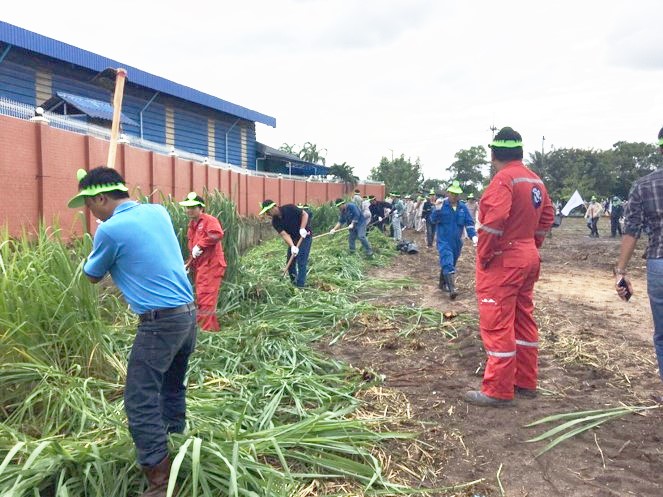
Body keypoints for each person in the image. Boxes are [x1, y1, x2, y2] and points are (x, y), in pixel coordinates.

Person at [68, 167, 196, 496]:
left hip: (160, 324)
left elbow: (93, 276)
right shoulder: (159, 211)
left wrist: (101, 238)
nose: (89, 211)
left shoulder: (110, 231)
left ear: (101, 198)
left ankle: (160, 481)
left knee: (139, 399)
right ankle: (175, 442)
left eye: (89, 204)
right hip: (187, 315)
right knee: (171, 386)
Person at [466, 127, 554, 407]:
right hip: (527, 255)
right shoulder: (535, 180)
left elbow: (495, 219)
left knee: (498, 321)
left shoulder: (504, 180)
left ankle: (498, 390)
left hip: (505, 259)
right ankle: (526, 382)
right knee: (523, 318)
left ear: (493, 154)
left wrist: (484, 254)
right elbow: (548, 215)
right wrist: (532, 243)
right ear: (520, 152)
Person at [615, 127, 663, 401]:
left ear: (659, 149)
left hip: (659, 263)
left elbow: (631, 230)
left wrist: (621, 271)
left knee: (662, 335)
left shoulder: (645, 185)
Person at [179, 192, 227, 332]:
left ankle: (205, 331)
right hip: (201, 266)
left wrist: (201, 244)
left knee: (205, 299)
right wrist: (188, 264)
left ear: (201, 208)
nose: (189, 210)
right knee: (204, 298)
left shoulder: (209, 220)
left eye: (192, 207)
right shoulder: (192, 225)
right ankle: (212, 329)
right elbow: (194, 249)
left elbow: (217, 234)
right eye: (187, 207)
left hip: (211, 266)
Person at [430, 180, 477, 299]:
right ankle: (452, 289)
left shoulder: (463, 207)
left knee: (451, 262)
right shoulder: (441, 205)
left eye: (456, 194)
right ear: (448, 193)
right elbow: (432, 220)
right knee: (447, 261)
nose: (454, 196)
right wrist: (437, 209)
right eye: (452, 193)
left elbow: (469, 223)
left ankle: (442, 283)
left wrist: (473, 236)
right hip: (444, 239)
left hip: (457, 242)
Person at [260, 199, 312, 287]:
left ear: (274, 207)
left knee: (301, 261)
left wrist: (302, 228)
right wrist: (292, 246)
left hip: (305, 236)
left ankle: (300, 286)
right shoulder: (275, 222)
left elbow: (305, 214)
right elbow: (284, 234)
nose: (268, 214)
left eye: (268, 211)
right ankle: (294, 282)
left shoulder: (290, 208)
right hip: (294, 239)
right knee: (290, 262)